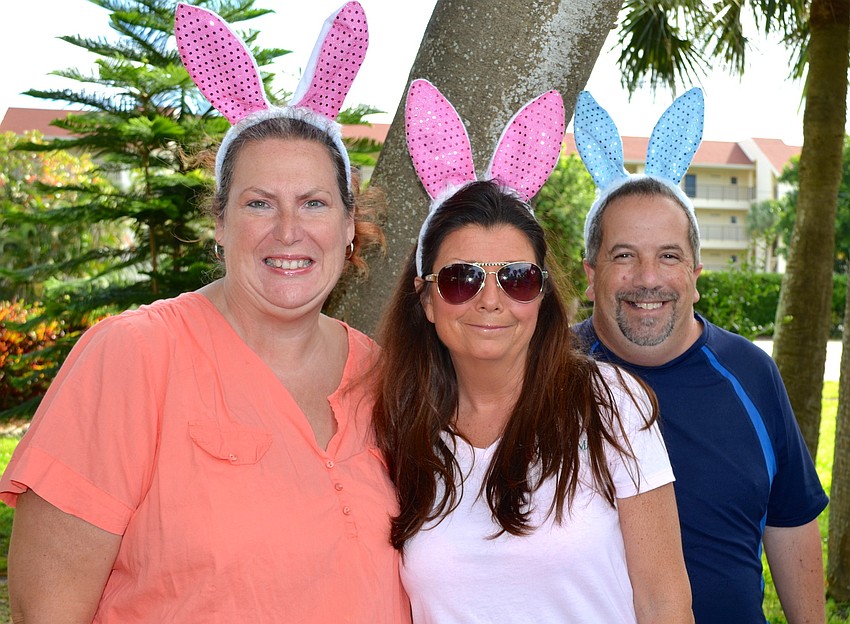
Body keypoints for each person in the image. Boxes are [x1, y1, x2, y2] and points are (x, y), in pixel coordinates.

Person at [0, 3, 410, 622]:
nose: (289, 231)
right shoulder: (133, 358)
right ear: (218, 222)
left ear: (351, 225)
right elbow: (47, 609)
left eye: (315, 203)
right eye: (258, 203)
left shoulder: (383, 375)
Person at [372, 78, 694, 623]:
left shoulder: (612, 404)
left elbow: (665, 602)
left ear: (541, 295)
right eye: (460, 279)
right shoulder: (395, 423)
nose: (490, 301)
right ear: (426, 299)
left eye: (517, 278)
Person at [572, 88, 829, 623]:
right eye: (624, 256)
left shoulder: (751, 374)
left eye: (669, 256)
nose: (648, 279)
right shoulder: (547, 370)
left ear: (695, 276)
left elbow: (791, 520)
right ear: (591, 274)